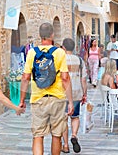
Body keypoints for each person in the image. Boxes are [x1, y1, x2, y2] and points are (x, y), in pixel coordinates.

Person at [19, 22, 74, 155]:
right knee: (56, 135)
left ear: (40, 36)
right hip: (57, 99)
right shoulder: (60, 52)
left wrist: (21, 100)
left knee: (38, 135)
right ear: (52, 35)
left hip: (38, 98)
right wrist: (71, 102)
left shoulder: (32, 53)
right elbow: (65, 78)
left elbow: (25, 77)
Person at [61, 38, 87, 154]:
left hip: (63, 93)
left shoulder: (60, 60)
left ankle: (65, 145)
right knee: (75, 117)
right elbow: (84, 79)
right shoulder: (80, 61)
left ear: (64, 47)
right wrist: (84, 93)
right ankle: (74, 135)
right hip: (76, 92)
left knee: (63, 119)